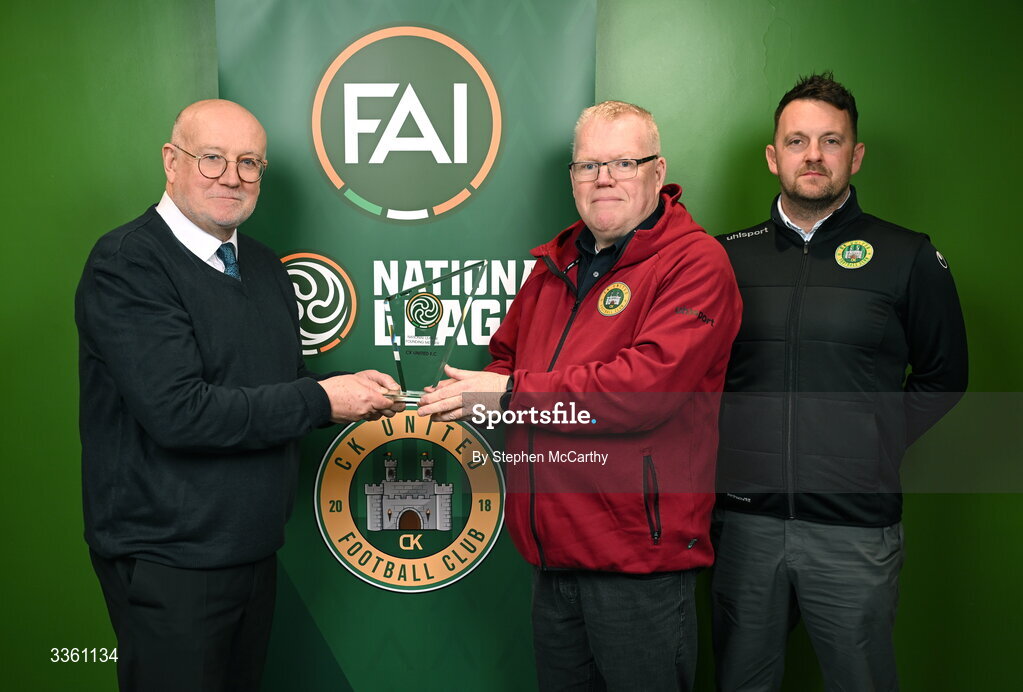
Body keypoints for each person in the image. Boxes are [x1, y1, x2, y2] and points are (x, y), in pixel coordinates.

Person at [75, 99, 402, 692]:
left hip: (250, 552)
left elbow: (270, 393)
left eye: (249, 163)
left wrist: (356, 397)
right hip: (170, 562)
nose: (232, 175)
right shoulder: (127, 265)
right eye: (212, 158)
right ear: (171, 162)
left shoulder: (263, 266)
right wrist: (323, 400)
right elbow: (179, 413)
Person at [418, 101, 741, 691]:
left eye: (623, 161)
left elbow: (644, 390)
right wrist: (476, 391)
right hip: (552, 558)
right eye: (589, 165)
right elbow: (507, 359)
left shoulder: (696, 262)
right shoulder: (554, 266)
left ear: (657, 169)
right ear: (571, 177)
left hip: (638, 564)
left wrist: (510, 394)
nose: (604, 178)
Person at [712, 73, 968, 691]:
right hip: (744, 527)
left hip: (854, 528)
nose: (814, 155)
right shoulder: (722, 259)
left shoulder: (908, 256)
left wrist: (869, 443)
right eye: (797, 141)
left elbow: (945, 375)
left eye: (831, 141)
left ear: (855, 156)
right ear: (774, 156)